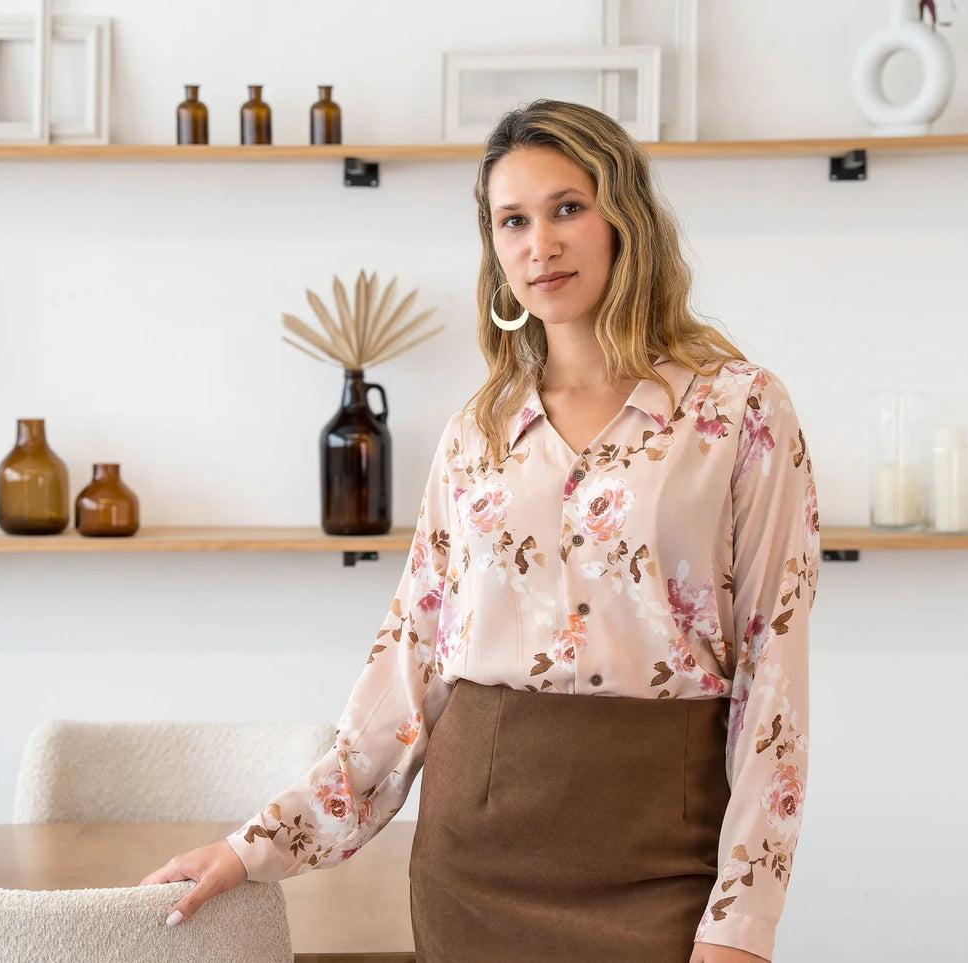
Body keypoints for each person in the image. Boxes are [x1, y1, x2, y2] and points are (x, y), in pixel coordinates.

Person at [140, 98, 819, 963]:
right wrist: (251, 848)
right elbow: (408, 666)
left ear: (625, 218)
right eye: (513, 220)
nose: (541, 242)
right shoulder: (479, 430)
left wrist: (741, 925)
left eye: (568, 207)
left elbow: (773, 682)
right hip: (475, 860)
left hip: (662, 852)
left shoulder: (741, 408)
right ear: (494, 248)